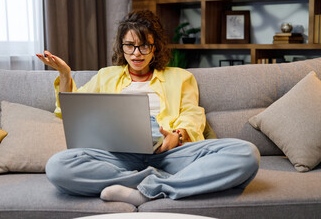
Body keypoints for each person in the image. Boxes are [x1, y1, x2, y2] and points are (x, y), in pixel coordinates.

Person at [36, 10, 260, 206]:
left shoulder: (181, 77)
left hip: (170, 154)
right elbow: (72, 108)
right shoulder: (106, 75)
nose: (136, 53)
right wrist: (64, 74)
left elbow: (192, 114)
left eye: (144, 46)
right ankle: (158, 182)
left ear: (155, 47)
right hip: (119, 157)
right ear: (121, 46)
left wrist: (177, 136)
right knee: (58, 166)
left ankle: (150, 188)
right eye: (130, 46)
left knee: (246, 153)